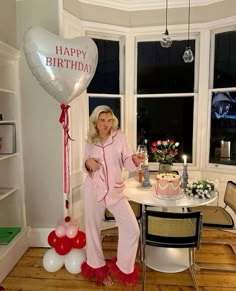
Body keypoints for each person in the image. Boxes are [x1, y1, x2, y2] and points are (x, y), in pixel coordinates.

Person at [81, 105, 145, 286]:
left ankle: (124, 267)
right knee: (92, 230)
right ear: (95, 121)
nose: (106, 124)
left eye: (109, 120)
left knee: (133, 229)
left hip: (115, 190)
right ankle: (98, 270)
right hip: (93, 188)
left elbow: (126, 160)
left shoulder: (120, 137)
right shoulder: (90, 141)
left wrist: (135, 160)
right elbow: (84, 165)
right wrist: (88, 163)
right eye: (102, 120)